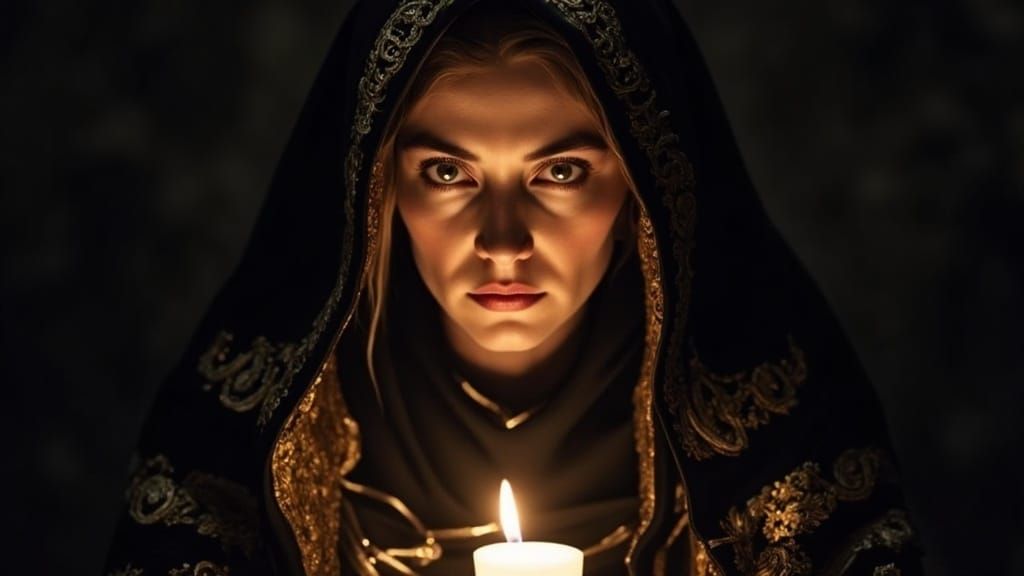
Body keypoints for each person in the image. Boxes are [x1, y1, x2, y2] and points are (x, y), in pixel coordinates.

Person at [104, 1, 923, 575]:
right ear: (378, 190)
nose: (503, 241)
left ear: (644, 194)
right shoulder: (250, 447)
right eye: (448, 172)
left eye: (560, 172)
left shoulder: (774, 442)